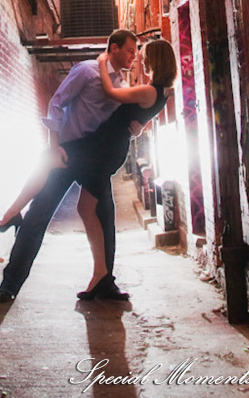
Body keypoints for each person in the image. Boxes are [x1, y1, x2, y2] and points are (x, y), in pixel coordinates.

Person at [0, 36, 178, 302]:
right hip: (70, 152)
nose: (134, 57)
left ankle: (104, 281)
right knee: (39, 214)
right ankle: (9, 285)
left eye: (137, 52)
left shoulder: (124, 86)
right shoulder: (87, 70)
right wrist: (54, 144)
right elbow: (56, 103)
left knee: (104, 218)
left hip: (97, 155)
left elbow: (124, 120)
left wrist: (136, 129)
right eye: (129, 50)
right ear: (113, 48)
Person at [67, 38, 177, 299]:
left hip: (106, 151)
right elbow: (134, 116)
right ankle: (102, 275)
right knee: (87, 207)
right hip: (108, 149)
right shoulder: (157, 91)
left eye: (145, 56)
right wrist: (139, 127)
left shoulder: (150, 91)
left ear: (155, 61)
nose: (140, 59)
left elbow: (110, 93)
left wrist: (103, 63)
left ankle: (101, 275)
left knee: (85, 207)